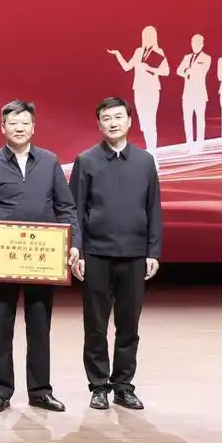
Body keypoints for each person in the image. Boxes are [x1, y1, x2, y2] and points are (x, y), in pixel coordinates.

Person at [0, 100, 81, 413]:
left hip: (43, 257)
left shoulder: (49, 161)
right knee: (2, 325)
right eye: (13, 123)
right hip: (3, 257)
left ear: (33, 127)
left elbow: (66, 207)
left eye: (25, 123)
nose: (19, 128)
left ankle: (40, 391)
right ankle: (0, 390)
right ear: (2, 128)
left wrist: (74, 243)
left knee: (40, 326)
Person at [70, 97, 162, 411]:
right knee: (95, 325)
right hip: (96, 255)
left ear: (129, 121)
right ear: (99, 124)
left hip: (135, 255)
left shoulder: (145, 161)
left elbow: (153, 208)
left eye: (118, 117)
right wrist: (79, 251)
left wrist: (153, 251)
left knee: (129, 326)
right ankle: (98, 386)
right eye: (107, 118)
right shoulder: (86, 160)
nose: (113, 123)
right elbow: (75, 210)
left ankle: (123, 386)